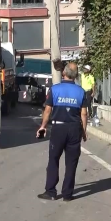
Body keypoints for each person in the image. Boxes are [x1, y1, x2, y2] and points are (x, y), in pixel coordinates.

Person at [36, 62, 88, 202]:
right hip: (74, 129)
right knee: (71, 162)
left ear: (63, 73)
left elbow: (48, 110)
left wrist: (43, 126)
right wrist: (84, 132)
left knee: (53, 159)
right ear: (76, 75)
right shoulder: (81, 91)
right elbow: (84, 114)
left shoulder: (54, 89)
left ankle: (51, 192)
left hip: (58, 128)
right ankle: (67, 194)